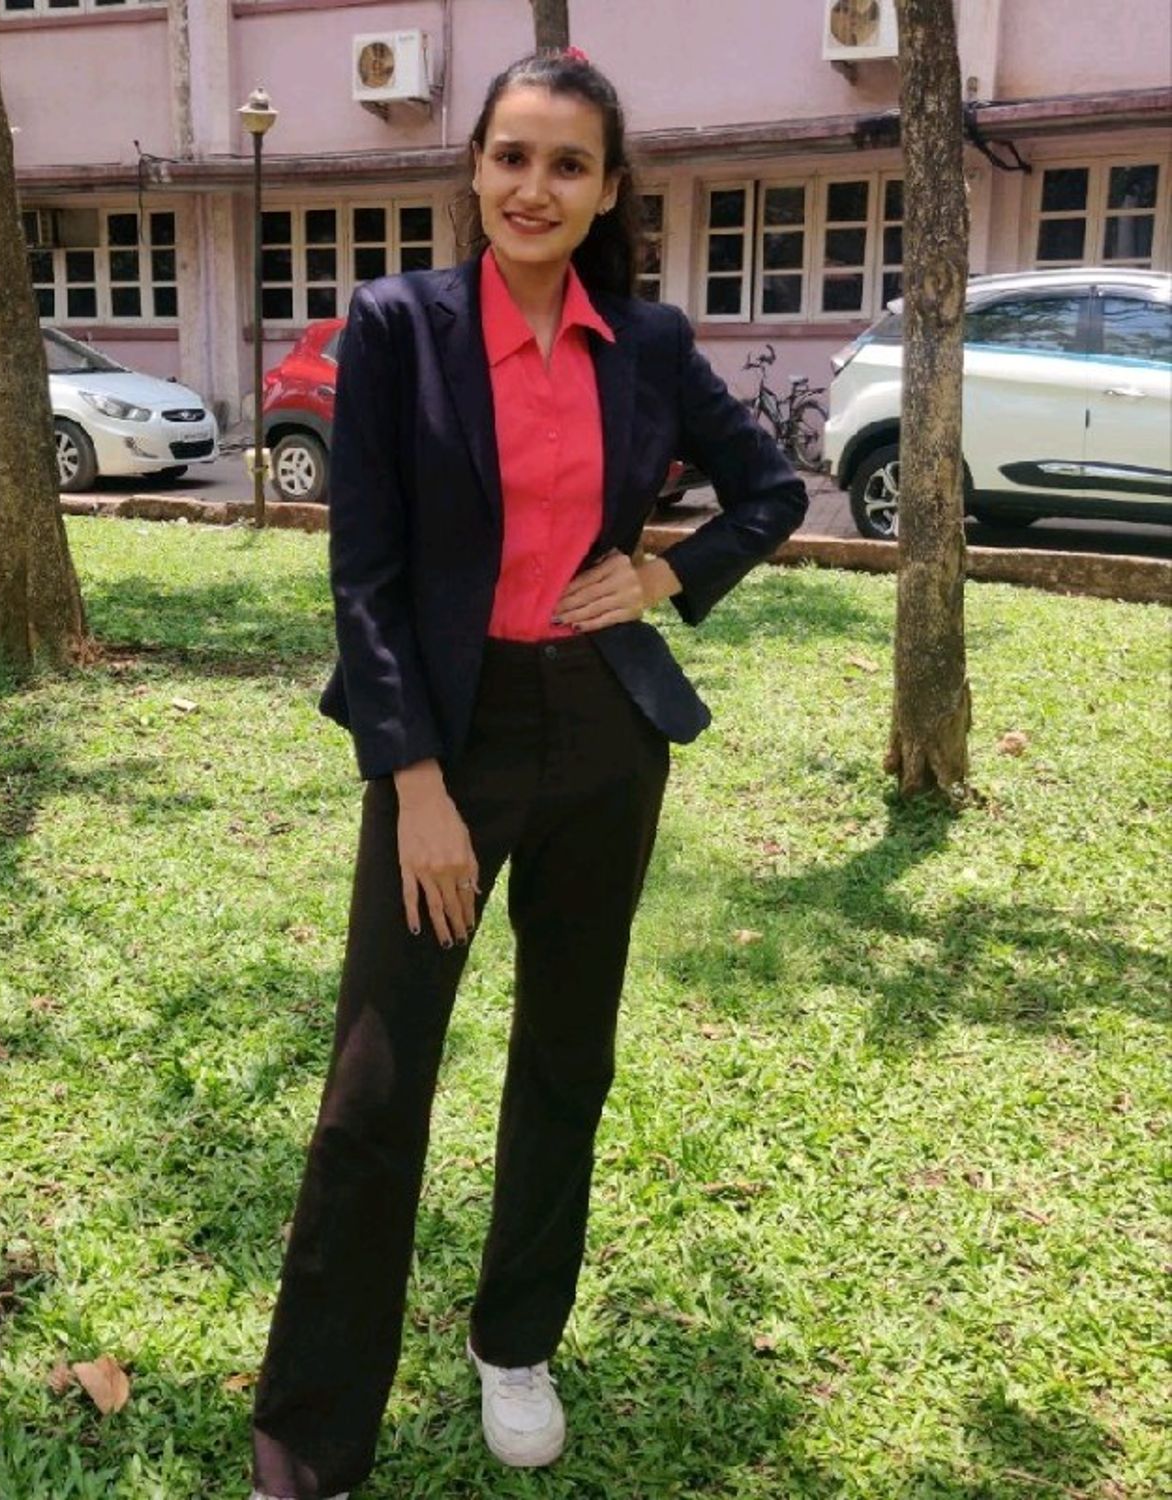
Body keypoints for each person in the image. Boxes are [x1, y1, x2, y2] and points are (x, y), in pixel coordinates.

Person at [249, 47, 807, 1500]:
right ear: (474, 169)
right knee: (376, 1083)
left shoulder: (650, 342)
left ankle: (517, 1344)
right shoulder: (400, 328)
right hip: (451, 736)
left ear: (610, 188)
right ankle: (313, 1433)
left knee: (567, 1055)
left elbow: (772, 488)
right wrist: (416, 784)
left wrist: (666, 573)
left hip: (605, 737)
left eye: (568, 164)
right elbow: (365, 576)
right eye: (512, 156)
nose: (534, 187)